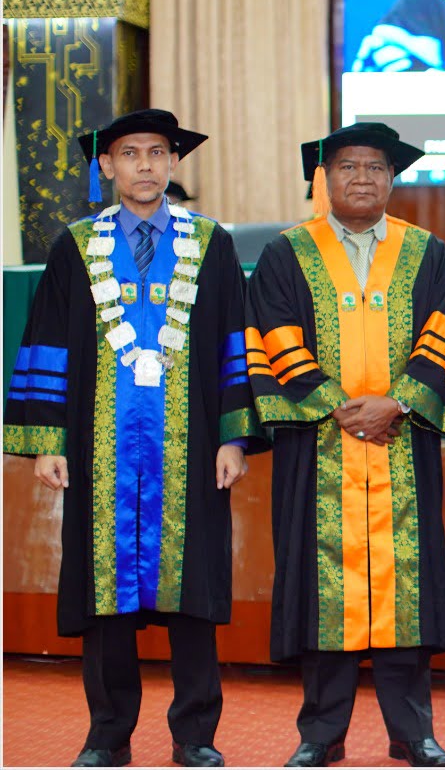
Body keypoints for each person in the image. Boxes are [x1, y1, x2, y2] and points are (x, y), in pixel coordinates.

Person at [4, 109, 262, 768]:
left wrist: (234, 438)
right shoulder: (75, 246)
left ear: (173, 163)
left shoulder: (210, 244)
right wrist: (48, 439)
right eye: (129, 153)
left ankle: (195, 735)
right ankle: (107, 735)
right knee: (104, 596)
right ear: (107, 166)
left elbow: (236, 340)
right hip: (100, 450)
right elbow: (48, 341)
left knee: (193, 596)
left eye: (157, 152)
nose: (145, 164)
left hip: (191, 448)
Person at [246, 122, 445, 768]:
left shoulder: (425, 252)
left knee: (406, 590)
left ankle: (413, 731)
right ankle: (321, 733)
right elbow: (272, 335)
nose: (361, 178)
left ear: (392, 179)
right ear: (325, 178)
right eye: (347, 166)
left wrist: (397, 402)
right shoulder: (288, 253)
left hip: (402, 444)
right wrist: (339, 407)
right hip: (318, 446)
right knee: (323, 590)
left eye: (375, 167)